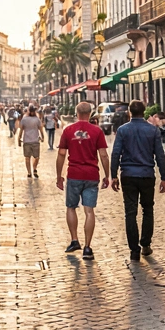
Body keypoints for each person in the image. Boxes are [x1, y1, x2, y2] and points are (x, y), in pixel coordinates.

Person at [110, 100, 165, 262]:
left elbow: (116, 153)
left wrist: (113, 174)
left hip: (128, 174)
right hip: (146, 174)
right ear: (144, 112)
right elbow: (160, 155)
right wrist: (164, 177)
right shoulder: (153, 130)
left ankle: (134, 250)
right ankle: (145, 244)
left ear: (129, 112)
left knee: (130, 212)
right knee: (148, 209)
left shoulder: (123, 130)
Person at [56, 101, 110, 261]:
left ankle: (74, 240)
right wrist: (108, 175)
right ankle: (87, 247)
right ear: (91, 113)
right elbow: (104, 155)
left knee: (71, 207)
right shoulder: (96, 131)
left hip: (74, 174)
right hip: (92, 175)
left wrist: (58, 175)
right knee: (89, 211)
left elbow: (61, 154)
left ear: (76, 113)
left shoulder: (68, 130)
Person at [19, 106, 45, 177]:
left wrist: (43, 136)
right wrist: (19, 138)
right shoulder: (25, 120)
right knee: (28, 157)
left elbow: (40, 129)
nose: (33, 112)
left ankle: (34, 169)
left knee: (36, 157)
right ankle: (29, 172)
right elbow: (21, 130)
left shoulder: (36, 119)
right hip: (28, 141)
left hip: (34, 140)